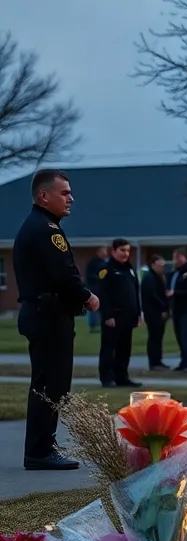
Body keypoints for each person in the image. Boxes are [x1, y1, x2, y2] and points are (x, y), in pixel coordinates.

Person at [14, 169, 100, 470]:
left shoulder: (37, 225)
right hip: (48, 316)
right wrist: (87, 296)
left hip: (44, 314)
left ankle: (43, 446)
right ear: (44, 196)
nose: (71, 198)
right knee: (50, 385)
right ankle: (40, 451)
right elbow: (64, 275)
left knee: (51, 384)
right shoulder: (46, 229)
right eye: (64, 193)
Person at [97, 238, 143, 388]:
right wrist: (108, 315)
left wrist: (138, 313)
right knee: (109, 348)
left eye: (128, 250)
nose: (126, 253)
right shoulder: (107, 270)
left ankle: (122, 377)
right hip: (114, 317)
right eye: (122, 250)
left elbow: (135, 292)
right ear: (114, 251)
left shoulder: (130, 269)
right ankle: (107, 378)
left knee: (124, 349)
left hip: (129, 316)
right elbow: (102, 294)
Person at [141, 254, 171, 370]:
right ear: (153, 265)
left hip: (157, 312)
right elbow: (153, 295)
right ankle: (154, 363)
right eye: (159, 266)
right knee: (154, 337)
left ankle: (158, 361)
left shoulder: (158, 277)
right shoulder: (149, 278)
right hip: (153, 313)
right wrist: (163, 308)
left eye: (163, 266)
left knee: (158, 337)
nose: (162, 268)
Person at [84, 246, 107, 333]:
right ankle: (93, 326)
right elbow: (89, 275)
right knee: (93, 307)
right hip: (94, 289)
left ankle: (103, 324)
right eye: (103, 251)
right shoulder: (92, 263)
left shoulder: (105, 263)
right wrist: (98, 277)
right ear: (98, 252)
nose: (105, 253)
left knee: (103, 308)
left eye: (105, 251)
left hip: (103, 289)